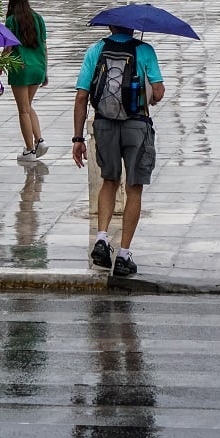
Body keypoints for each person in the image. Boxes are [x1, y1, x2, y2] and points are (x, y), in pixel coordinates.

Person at [72, 25, 165, 277]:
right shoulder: (144, 50)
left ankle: (101, 240)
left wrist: (78, 138)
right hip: (137, 125)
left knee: (109, 181)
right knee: (134, 188)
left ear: (111, 26)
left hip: (104, 124)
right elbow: (158, 92)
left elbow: (82, 96)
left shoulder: (96, 50)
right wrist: (149, 95)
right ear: (134, 28)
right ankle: (123, 255)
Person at [0, 0, 49, 162]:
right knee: (27, 106)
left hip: (20, 68)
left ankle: (29, 150)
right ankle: (39, 141)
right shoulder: (38, 18)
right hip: (38, 67)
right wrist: (45, 71)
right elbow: (44, 46)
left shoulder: (12, 21)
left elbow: (8, 48)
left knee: (22, 110)